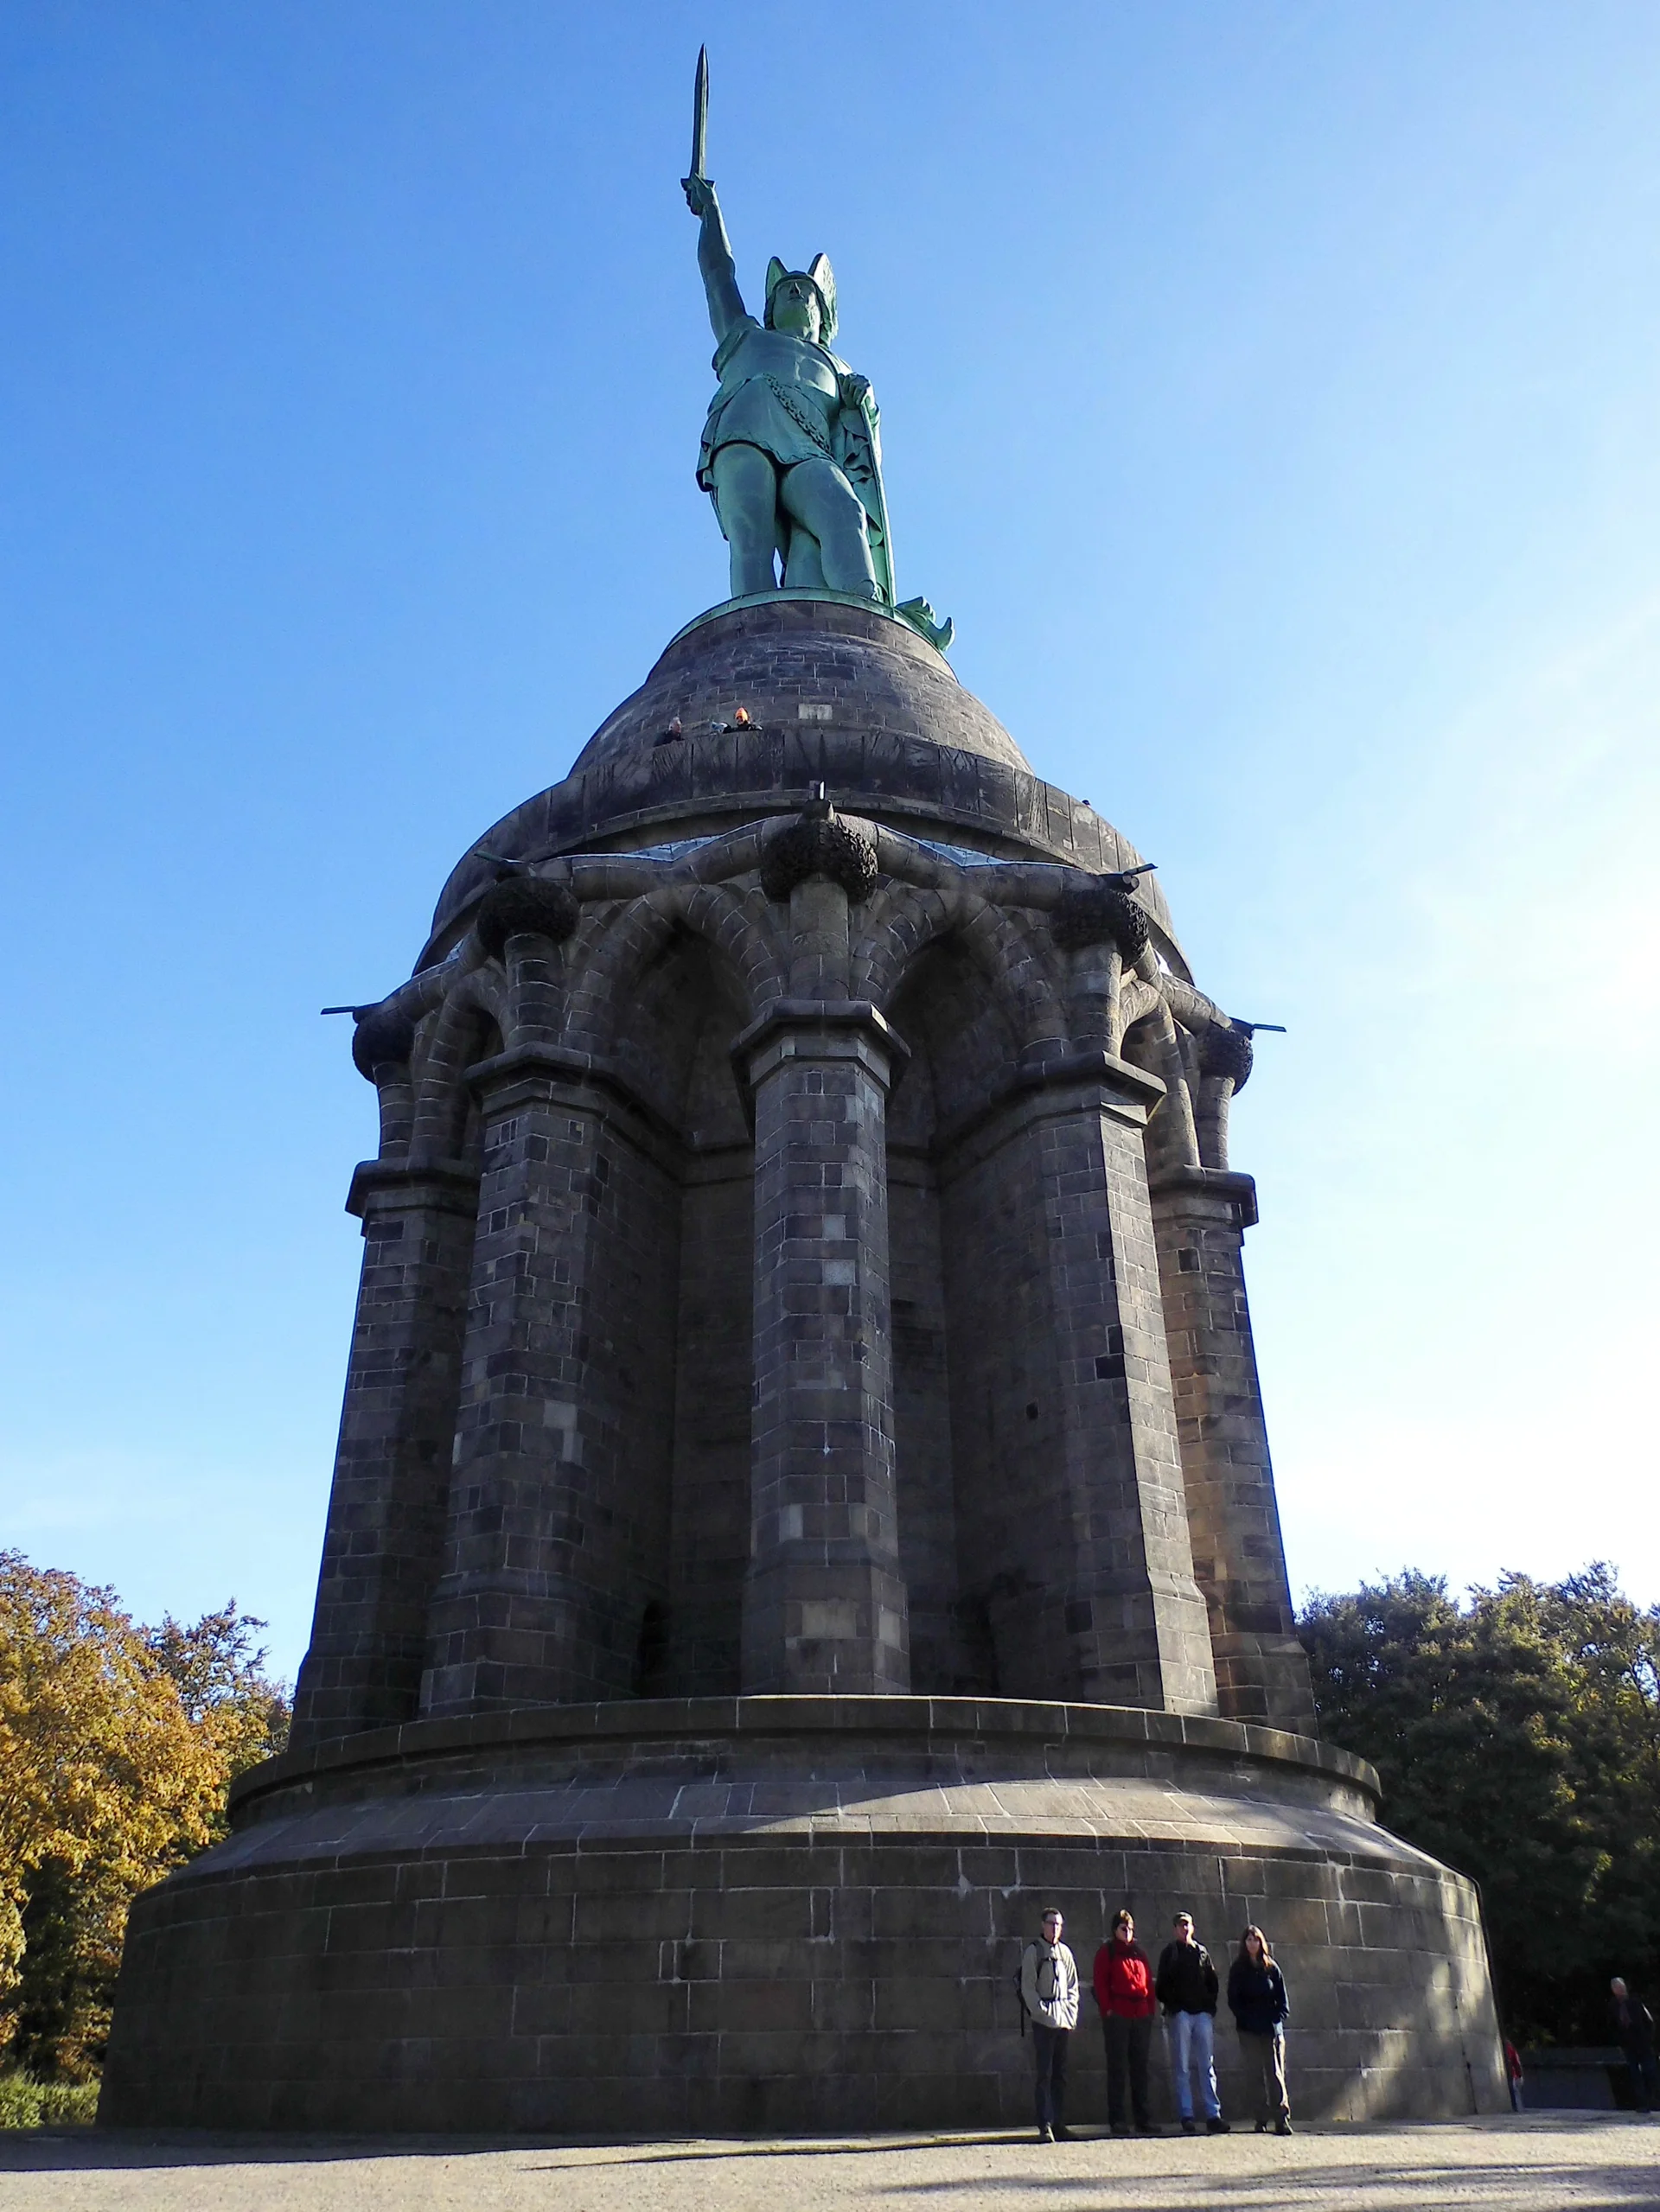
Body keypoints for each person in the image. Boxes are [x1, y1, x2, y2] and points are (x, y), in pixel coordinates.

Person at [1155, 1910, 1229, 2135]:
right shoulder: (1169, 1953)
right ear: (1175, 1929)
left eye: (1187, 1925)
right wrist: (1174, 2007)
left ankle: (1213, 2114)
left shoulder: (1202, 1952)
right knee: (1182, 2067)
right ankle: (1186, 2115)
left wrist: (1208, 2007)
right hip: (1181, 2015)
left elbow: (1212, 1982)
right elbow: (1161, 1985)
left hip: (1201, 2014)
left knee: (1207, 2065)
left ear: (1193, 1928)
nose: (1185, 1929)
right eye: (1181, 1925)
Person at [1093, 1908, 1159, 2137]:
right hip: (1118, 2016)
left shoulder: (1139, 1953)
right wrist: (1108, 2010)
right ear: (1115, 1930)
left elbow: (1148, 1983)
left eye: (1131, 1928)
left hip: (1140, 2015)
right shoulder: (1107, 1952)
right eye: (1124, 1928)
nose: (1128, 1932)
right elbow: (1101, 1984)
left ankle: (1143, 2118)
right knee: (1118, 2068)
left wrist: (1150, 2011)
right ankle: (1118, 2119)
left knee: (1140, 2069)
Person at [1020, 1906, 1080, 2143]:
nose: (1055, 1929)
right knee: (1044, 2074)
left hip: (1063, 2020)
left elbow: (1073, 1986)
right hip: (1044, 2021)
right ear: (1043, 1925)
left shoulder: (1065, 1953)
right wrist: (1041, 2012)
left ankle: (1059, 2122)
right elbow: (1028, 1987)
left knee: (1060, 2075)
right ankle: (1044, 2123)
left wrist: (1070, 2013)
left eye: (1058, 1925)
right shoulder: (1033, 1952)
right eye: (1051, 1924)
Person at [1226, 1925, 1292, 2135]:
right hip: (1249, 2030)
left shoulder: (1271, 1968)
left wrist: (1276, 2019)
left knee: (1275, 2073)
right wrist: (1244, 2018)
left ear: (1261, 1942)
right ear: (1244, 1943)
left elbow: (1282, 2000)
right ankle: (1260, 2118)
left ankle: (1281, 2118)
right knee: (1254, 2075)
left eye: (1255, 1939)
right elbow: (1233, 1999)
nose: (1252, 1943)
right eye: (1248, 1940)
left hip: (1270, 2029)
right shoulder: (1238, 1969)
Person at [1611, 1977, 1658, 2113]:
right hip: (1629, 2046)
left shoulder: (1635, 2002)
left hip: (1643, 2043)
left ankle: (1654, 2101)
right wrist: (1619, 2043)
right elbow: (1614, 2026)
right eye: (1617, 1988)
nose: (1621, 1990)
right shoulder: (1614, 2006)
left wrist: (1648, 2039)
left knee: (1650, 2072)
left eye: (1622, 1987)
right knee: (1635, 2075)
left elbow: (1648, 2021)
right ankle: (1642, 2103)